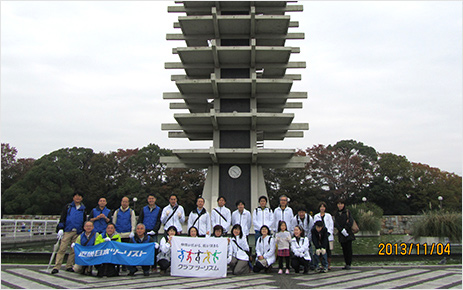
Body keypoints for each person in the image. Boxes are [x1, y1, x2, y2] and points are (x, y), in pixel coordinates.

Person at [51, 191, 87, 274]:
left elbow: (84, 220)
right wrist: (60, 228)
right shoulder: (68, 207)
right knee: (62, 248)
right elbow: (63, 217)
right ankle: (57, 266)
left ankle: (69, 265)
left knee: (73, 250)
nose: (78, 198)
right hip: (68, 230)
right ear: (73, 197)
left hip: (78, 231)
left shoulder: (83, 209)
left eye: (79, 196)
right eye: (76, 196)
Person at [138, 194, 162, 271]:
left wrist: (155, 230)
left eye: (152, 198)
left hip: (153, 232)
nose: (151, 200)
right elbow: (140, 219)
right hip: (144, 232)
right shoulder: (144, 209)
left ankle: (154, 265)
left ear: (155, 199)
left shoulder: (158, 209)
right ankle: (144, 265)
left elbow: (159, 221)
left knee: (154, 249)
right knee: (144, 249)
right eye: (149, 199)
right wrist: (140, 230)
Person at [113, 196, 136, 272]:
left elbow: (133, 222)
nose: (124, 203)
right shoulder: (116, 211)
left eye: (126, 202)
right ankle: (118, 265)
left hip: (127, 234)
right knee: (118, 251)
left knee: (125, 251)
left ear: (128, 203)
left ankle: (124, 266)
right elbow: (114, 222)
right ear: (121, 202)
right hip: (118, 234)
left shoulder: (131, 211)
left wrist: (132, 231)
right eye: (123, 201)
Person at [334, 198, 356, 270]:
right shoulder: (336, 213)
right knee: (344, 249)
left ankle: (349, 263)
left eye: (341, 204)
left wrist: (345, 229)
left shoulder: (347, 212)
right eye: (339, 204)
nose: (340, 205)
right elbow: (336, 223)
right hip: (341, 234)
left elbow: (350, 221)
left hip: (348, 233)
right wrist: (341, 230)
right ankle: (346, 263)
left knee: (349, 248)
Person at [313, 201, 334, 270]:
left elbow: (331, 225)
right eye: (321, 207)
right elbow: (314, 226)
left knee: (328, 250)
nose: (322, 208)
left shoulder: (328, 215)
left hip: (328, 235)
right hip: (320, 235)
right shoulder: (316, 216)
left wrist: (329, 233)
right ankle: (322, 264)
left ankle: (328, 264)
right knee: (320, 250)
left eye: (323, 207)